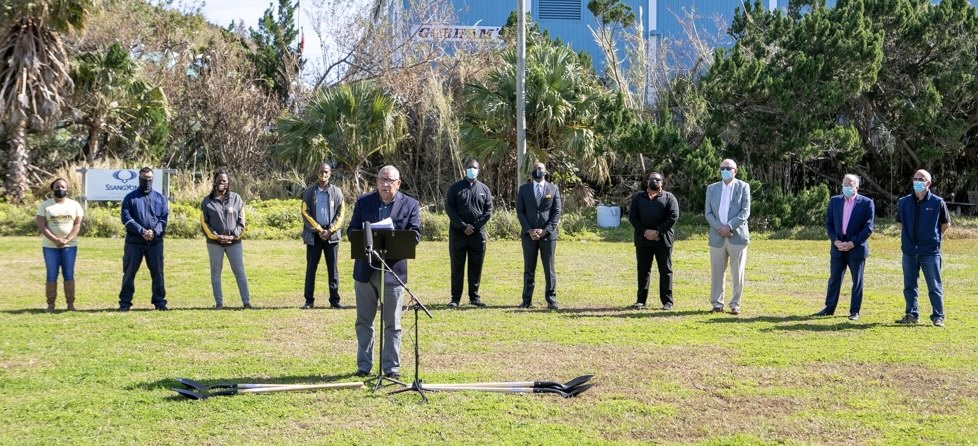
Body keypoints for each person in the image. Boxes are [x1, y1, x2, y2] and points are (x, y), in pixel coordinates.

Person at [347, 165, 421, 379]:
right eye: (382, 180)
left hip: (392, 271)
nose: (385, 184)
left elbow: (415, 235)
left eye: (390, 180)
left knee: (393, 323)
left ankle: (391, 368)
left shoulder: (411, 204)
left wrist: (393, 238)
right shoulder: (364, 203)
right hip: (365, 271)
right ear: (377, 182)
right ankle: (364, 366)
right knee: (363, 321)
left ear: (398, 183)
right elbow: (352, 231)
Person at [814, 174, 875, 321]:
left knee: (857, 281)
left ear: (857, 187)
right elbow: (829, 223)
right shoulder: (835, 201)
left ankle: (855, 311)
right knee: (834, 279)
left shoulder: (867, 203)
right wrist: (835, 240)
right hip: (838, 246)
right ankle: (829, 308)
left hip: (856, 247)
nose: (847, 187)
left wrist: (853, 243)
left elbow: (868, 228)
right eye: (845, 184)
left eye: (850, 184)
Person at [895, 169, 951, 327]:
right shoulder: (904, 202)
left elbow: (945, 224)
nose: (918, 181)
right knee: (909, 285)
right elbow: (900, 223)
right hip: (909, 251)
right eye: (915, 178)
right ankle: (911, 314)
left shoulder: (937, 202)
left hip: (930, 252)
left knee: (934, 285)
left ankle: (938, 316)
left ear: (929, 183)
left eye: (922, 179)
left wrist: (931, 237)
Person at [118, 167, 169, 311]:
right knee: (129, 273)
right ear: (139, 179)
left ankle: (160, 302)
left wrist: (154, 232)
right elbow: (126, 218)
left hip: (155, 242)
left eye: (149, 179)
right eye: (144, 179)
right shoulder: (130, 198)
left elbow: (164, 219)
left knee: (158, 273)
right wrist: (141, 231)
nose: (147, 181)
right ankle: (125, 303)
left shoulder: (160, 198)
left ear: (153, 179)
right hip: (134, 242)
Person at [704, 158, 751, 315]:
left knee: (737, 273)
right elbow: (708, 213)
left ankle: (735, 304)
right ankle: (717, 303)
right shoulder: (712, 188)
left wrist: (729, 226)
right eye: (722, 168)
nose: (725, 170)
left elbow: (745, 211)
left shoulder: (743, 187)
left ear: (735, 170)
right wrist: (719, 227)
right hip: (717, 236)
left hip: (737, 236)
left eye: (728, 168)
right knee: (717, 272)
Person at [445, 158, 493, 308]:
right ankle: (455, 299)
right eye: (470, 167)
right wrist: (463, 226)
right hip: (458, 234)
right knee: (457, 266)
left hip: (477, 235)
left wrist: (476, 226)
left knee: (476, 267)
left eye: (475, 167)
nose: (472, 170)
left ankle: (474, 297)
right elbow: (449, 209)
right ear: (465, 169)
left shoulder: (484, 189)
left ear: (479, 170)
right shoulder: (455, 188)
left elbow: (488, 210)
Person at [201, 169, 252, 309]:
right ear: (214, 182)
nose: (221, 183)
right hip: (214, 243)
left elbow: (242, 222)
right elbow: (204, 223)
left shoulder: (237, 199)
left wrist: (232, 236)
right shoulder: (207, 201)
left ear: (228, 183)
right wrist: (217, 236)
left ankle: (246, 302)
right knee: (216, 273)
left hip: (234, 243)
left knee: (239, 272)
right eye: (219, 180)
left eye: (224, 180)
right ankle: (219, 303)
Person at [628, 172, 679, 310]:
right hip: (642, 239)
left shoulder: (669, 198)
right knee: (643, 270)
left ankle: (667, 302)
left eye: (657, 180)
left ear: (661, 182)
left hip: (663, 240)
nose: (654, 181)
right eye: (651, 179)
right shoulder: (639, 197)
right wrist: (644, 231)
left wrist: (658, 232)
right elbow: (632, 217)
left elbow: (673, 217)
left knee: (665, 270)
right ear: (647, 182)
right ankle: (641, 301)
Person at [516, 161, 562, 310]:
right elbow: (520, 211)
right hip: (529, 236)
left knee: (549, 269)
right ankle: (526, 300)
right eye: (535, 169)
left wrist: (545, 230)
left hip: (548, 236)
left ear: (546, 171)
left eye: (540, 168)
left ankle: (551, 299)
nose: (537, 171)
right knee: (529, 268)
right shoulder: (523, 190)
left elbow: (556, 212)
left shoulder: (553, 189)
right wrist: (529, 230)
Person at [301, 163, 346, 309]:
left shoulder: (337, 192)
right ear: (317, 172)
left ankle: (334, 300)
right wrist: (319, 229)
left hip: (331, 236)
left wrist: (330, 230)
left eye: (326, 172)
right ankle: (309, 301)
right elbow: (305, 212)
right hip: (314, 236)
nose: (323, 174)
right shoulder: (309, 192)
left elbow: (341, 213)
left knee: (333, 270)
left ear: (330, 173)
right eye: (321, 171)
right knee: (311, 268)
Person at [36, 178, 84, 312]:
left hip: (70, 247)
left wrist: (67, 240)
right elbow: (41, 225)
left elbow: (77, 225)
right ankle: (51, 304)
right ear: (52, 189)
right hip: (50, 247)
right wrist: (55, 239)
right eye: (57, 187)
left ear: (67, 189)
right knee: (51, 274)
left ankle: (70, 304)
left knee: (69, 274)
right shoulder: (45, 205)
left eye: (63, 187)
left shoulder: (75, 205)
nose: (60, 189)